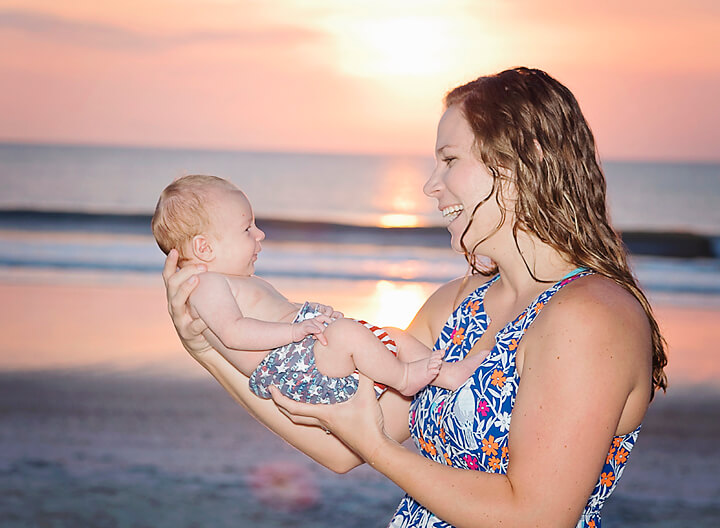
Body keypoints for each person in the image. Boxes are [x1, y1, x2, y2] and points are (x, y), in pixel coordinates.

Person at [163, 67, 668, 527]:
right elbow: (341, 444)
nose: (431, 185)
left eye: (449, 160)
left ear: (518, 164)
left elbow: (535, 516)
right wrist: (210, 349)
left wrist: (378, 449)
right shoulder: (455, 305)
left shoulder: (592, 315)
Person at [151, 174, 486, 404]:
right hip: (287, 367)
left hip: (303, 353)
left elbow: (277, 310)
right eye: (247, 229)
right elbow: (235, 333)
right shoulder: (207, 285)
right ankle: (403, 379)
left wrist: (309, 316)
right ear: (205, 248)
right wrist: (297, 329)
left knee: (392, 335)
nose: (260, 235)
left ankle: (450, 375)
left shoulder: (236, 282)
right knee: (349, 334)